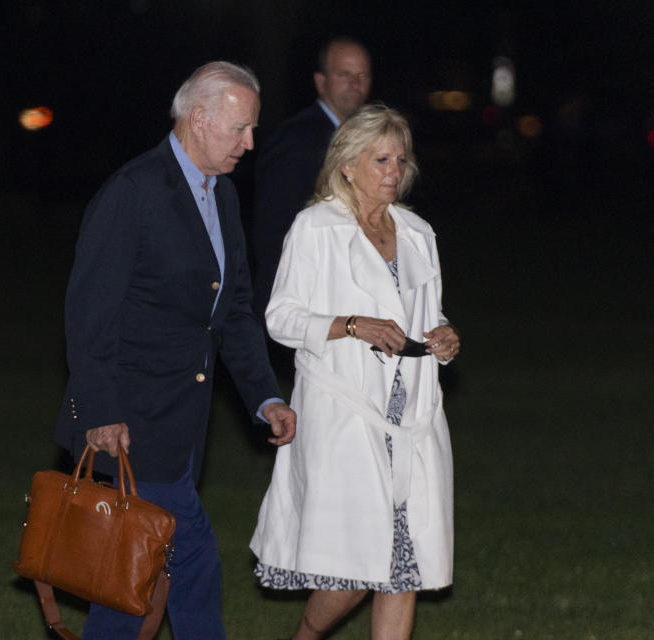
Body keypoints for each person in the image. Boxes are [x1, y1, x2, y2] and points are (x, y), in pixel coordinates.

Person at [54, 61, 297, 640]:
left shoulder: (225, 198)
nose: (250, 143)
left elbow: (232, 311)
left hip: (184, 426)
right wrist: (101, 411)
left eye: (253, 129)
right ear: (198, 118)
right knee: (191, 561)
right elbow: (89, 313)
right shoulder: (134, 191)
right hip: (131, 425)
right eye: (240, 128)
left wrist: (265, 396)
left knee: (128, 583)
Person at [249, 104, 460, 640]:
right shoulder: (316, 228)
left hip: (412, 415)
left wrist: (443, 337)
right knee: (356, 567)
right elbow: (281, 318)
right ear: (347, 165)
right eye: (380, 159)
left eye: (400, 160)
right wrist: (349, 324)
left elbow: (427, 315)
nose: (394, 171)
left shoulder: (416, 232)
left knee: (402, 567)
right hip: (346, 412)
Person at [250, 37, 372, 321]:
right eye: (344, 74)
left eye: (362, 75)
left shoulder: (365, 138)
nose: (355, 83)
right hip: (302, 304)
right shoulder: (296, 139)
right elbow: (272, 231)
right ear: (321, 82)